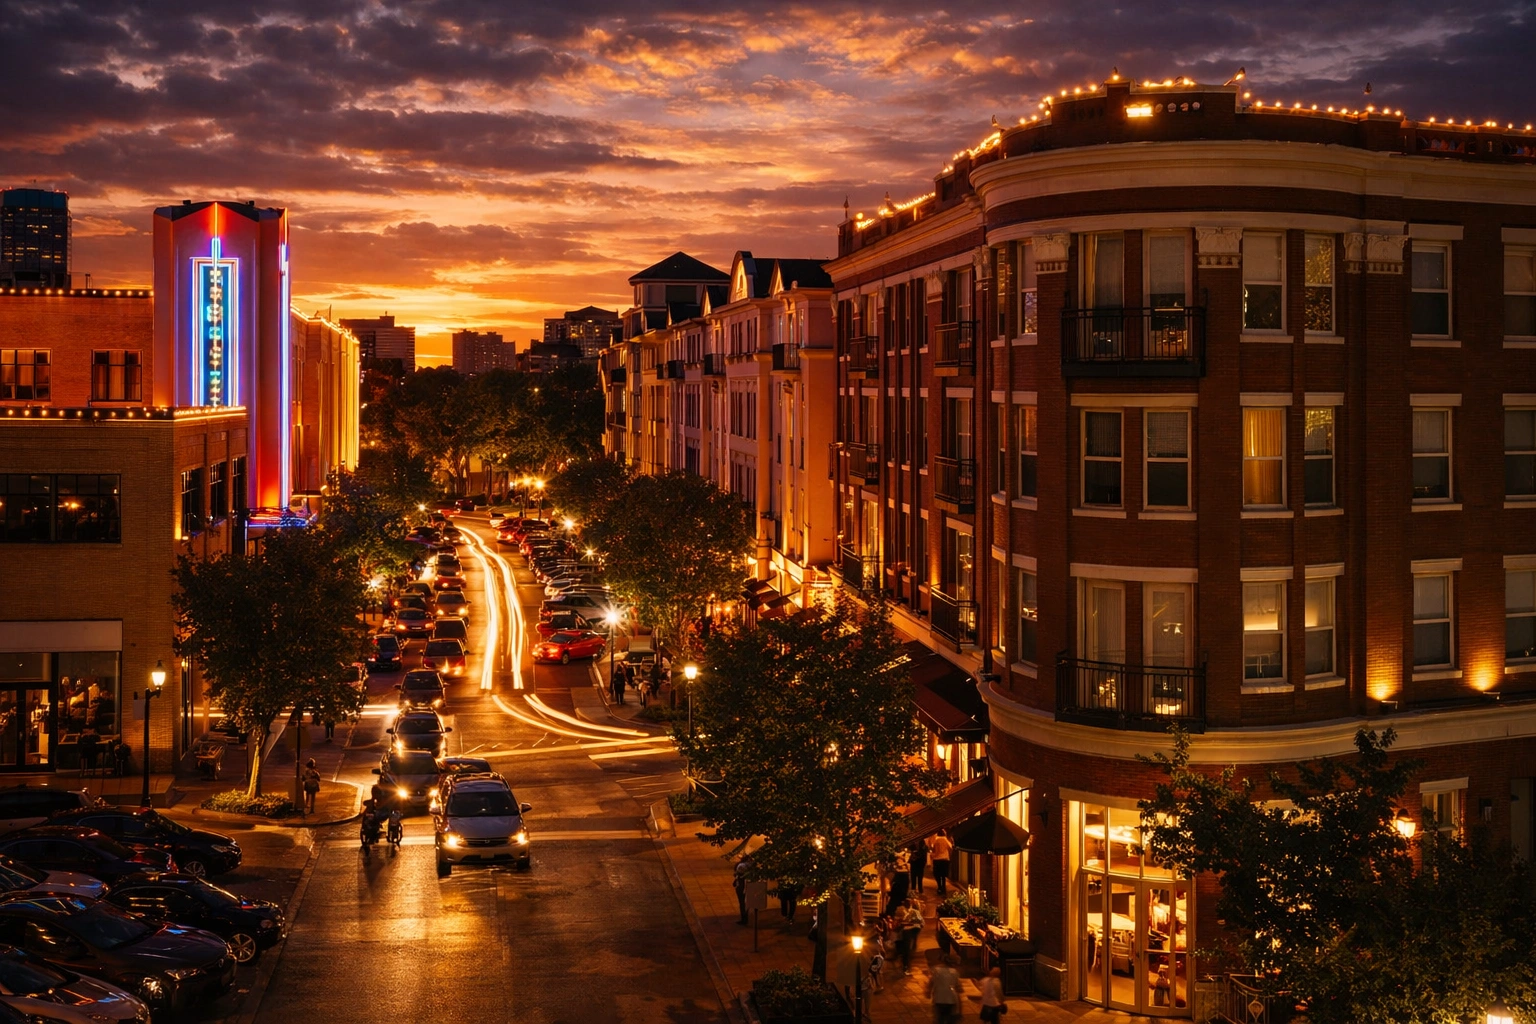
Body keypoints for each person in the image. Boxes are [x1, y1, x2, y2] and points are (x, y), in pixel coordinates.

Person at [928, 954, 961, 1024]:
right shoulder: (954, 972)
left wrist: (928, 991)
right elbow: (958, 986)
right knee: (950, 1019)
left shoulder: (936, 970)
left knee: (939, 1018)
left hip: (939, 998)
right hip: (951, 999)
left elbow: (931, 982)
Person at [927, 830, 954, 897]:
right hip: (945, 859)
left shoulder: (936, 840)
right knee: (943, 875)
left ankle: (939, 887)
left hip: (937, 859)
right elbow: (950, 847)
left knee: (937, 874)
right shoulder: (945, 840)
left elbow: (933, 849)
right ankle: (943, 888)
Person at [887, 846, 911, 913]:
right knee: (896, 901)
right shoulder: (903, 876)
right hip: (901, 879)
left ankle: (891, 913)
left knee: (894, 902)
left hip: (899, 881)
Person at [733, 855, 753, 925]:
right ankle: (745, 918)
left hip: (741, 887)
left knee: (742, 903)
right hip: (747, 886)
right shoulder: (751, 865)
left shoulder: (741, 866)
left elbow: (738, 874)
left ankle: (744, 919)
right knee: (745, 902)